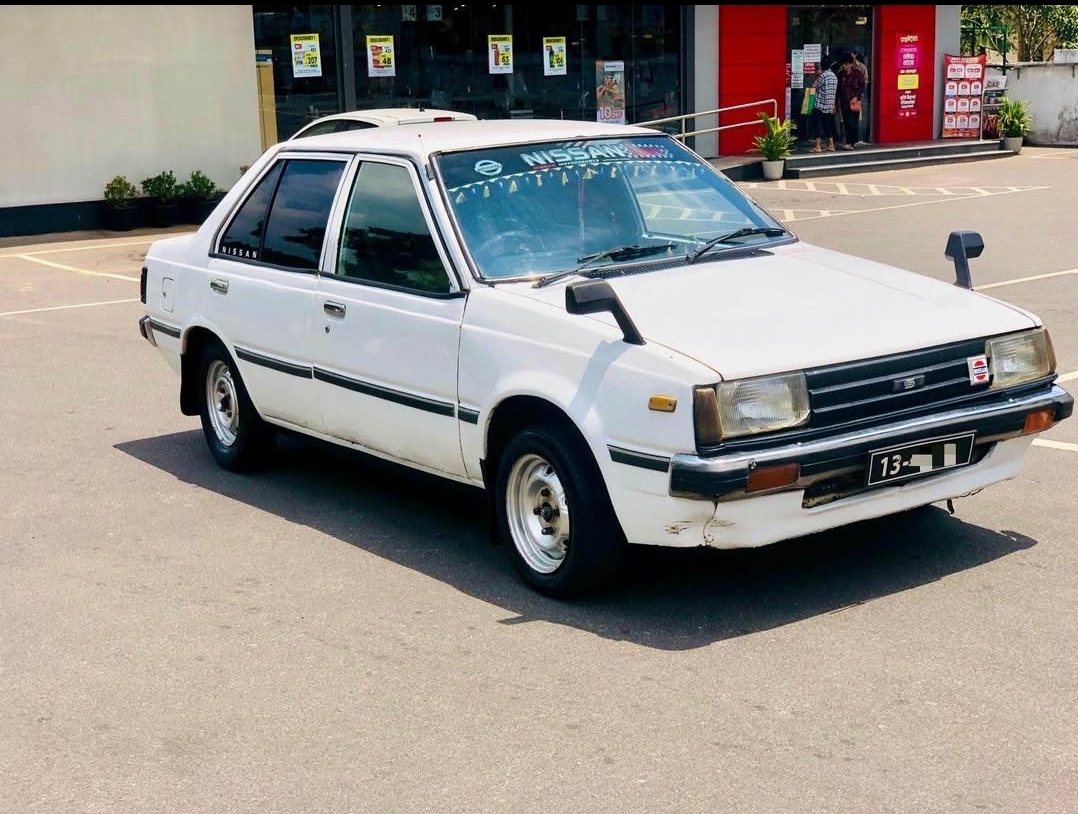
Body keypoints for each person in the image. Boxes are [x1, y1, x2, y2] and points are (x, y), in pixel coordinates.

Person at [837, 53, 865, 149]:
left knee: (853, 122)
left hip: (854, 102)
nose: (844, 66)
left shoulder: (857, 73)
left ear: (850, 64)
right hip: (844, 102)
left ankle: (852, 141)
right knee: (846, 122)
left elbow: (862, 87)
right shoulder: (841, 74)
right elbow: (839, 89)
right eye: (843, 64)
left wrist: (856, 97)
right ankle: (849, 142)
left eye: (846, 64)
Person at [810, 62, 838, 152]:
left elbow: (814, 86)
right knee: (827, 125)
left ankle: (817, 146)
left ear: (822, 67)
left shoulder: (823, 76)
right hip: (829, 105)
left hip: (819, 104)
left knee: (817, 124)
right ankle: (831, 145)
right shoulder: (834, 76)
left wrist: (817, 76)